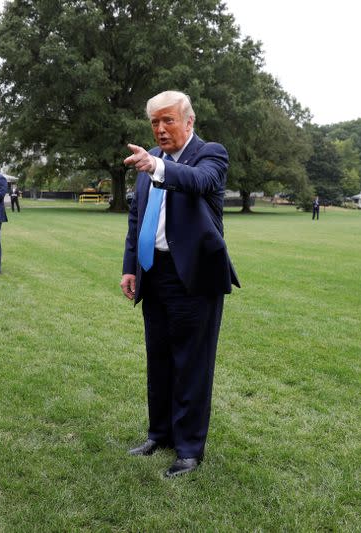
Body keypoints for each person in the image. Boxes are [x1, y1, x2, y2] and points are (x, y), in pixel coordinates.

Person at [120, 90, 239, 478]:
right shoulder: (149, 162)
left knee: (192, 364)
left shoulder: (210, 154)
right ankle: (160, 434)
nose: (161, 128)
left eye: (168, 120)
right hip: (154, 274)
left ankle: (189, 449)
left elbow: (199, 182)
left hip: (195, 278)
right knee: (160, 360)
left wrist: (157, 166)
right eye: (155, 122)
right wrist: (130, 267)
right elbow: (137, 218)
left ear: (189, 122)